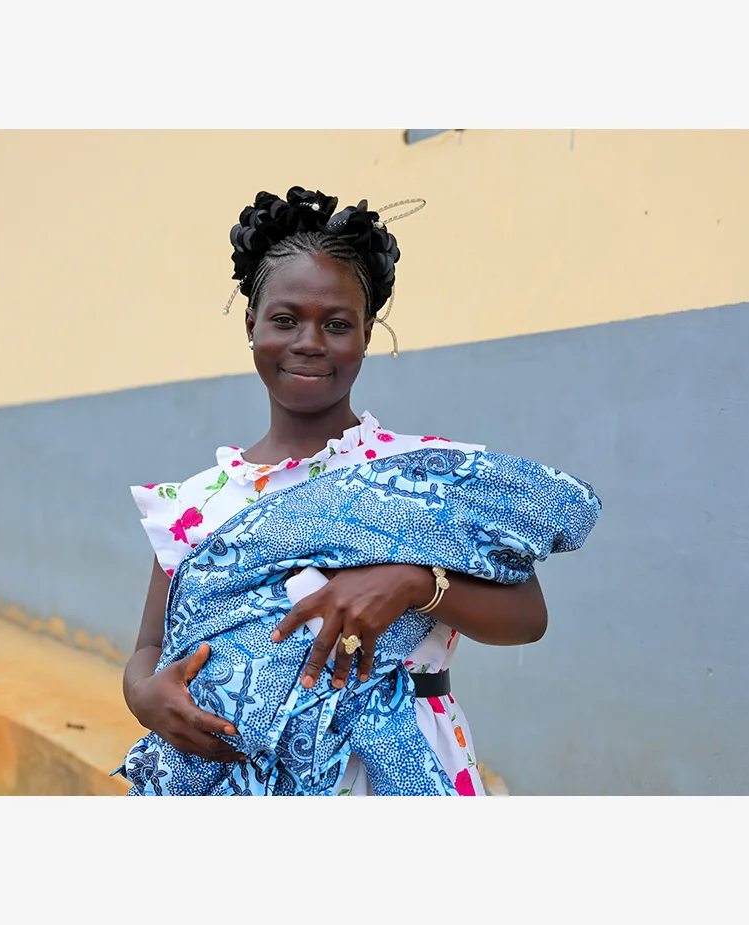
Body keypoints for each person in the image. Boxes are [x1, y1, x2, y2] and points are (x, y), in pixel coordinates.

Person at [120, 188, 565, 796]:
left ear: (366, 333)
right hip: (238, 775)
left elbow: (527, 618)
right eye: (284, 320)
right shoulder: (200, 504)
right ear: (252, 326)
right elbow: (150, 646)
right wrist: (146, 695)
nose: (309, 342)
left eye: (336, 324)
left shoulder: (426, 475)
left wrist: (413, 583)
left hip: (399, 771)